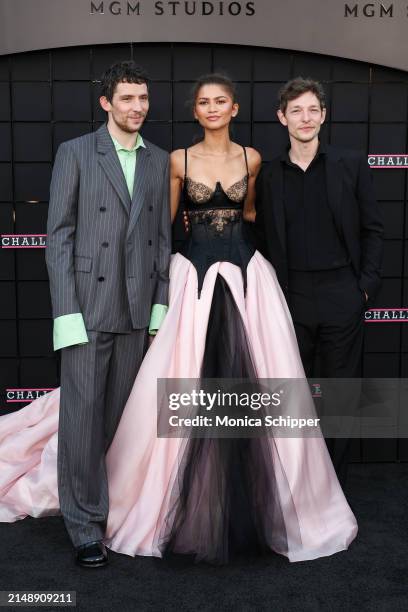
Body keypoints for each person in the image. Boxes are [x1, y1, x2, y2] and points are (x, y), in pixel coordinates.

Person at [0, 73, 357, 566]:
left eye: (221, 102)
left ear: (234, 109)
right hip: (179, 283)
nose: (212, 108)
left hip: (246, 282)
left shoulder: (251, 160)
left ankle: (277, 505)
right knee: (153, 397)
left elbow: (252, 214)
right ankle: (96, 514)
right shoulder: (165, 160)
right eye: (204, 102)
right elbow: (158, 230)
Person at [27, 60, 171, 568]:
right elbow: (58, 236)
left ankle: (112, 509)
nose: (138, 107)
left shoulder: (158, 159)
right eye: (128, 98)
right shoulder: (77, 153)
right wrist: (66, 314)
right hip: (87, 309)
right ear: (106, 103)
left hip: (135, 311)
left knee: (116, 422)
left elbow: (161, 243)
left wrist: (158, 309)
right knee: (82, 424)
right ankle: (84, 525)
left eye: (144, 98)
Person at [254, 77, 384, 487]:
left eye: (312, 110)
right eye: (296, 110)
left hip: (342, 294)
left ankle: (332, 488)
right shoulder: (269, 175)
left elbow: (372, 230)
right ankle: (296, 484)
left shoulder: (350, 164)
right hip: (289, 298)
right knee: (293, 394)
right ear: (282, 118)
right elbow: (257, 234)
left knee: (339, 395)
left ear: (323, 115)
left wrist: (364, 287)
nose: (305, 118)